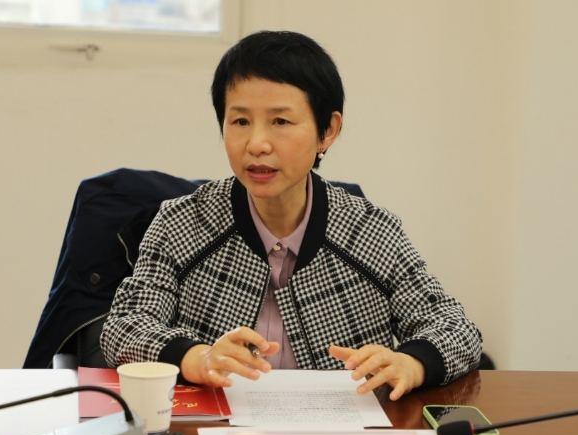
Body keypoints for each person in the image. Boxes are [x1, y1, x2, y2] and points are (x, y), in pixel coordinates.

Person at [101, 30, 482, 401]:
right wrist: (196, 358)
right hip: (213, 431)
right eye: (240, 122)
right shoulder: (181, 223)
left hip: (343, 434)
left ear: (327, 131)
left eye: (280, 122)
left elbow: (457, 329)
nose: (257, 144)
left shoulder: (371, 231)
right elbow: (123, 326)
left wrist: (412, 363)